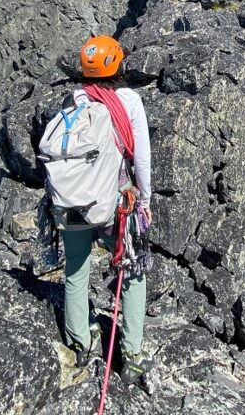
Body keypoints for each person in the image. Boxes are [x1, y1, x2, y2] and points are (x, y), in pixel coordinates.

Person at [62, 34, 153, 384]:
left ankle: (80, 342)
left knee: (76, 269)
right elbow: (141, 157)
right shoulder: (128, 100)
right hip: (115, 199)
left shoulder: (74, 98)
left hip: (73, 199)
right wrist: (145, 200)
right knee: (132, 270)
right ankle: (130, 353)